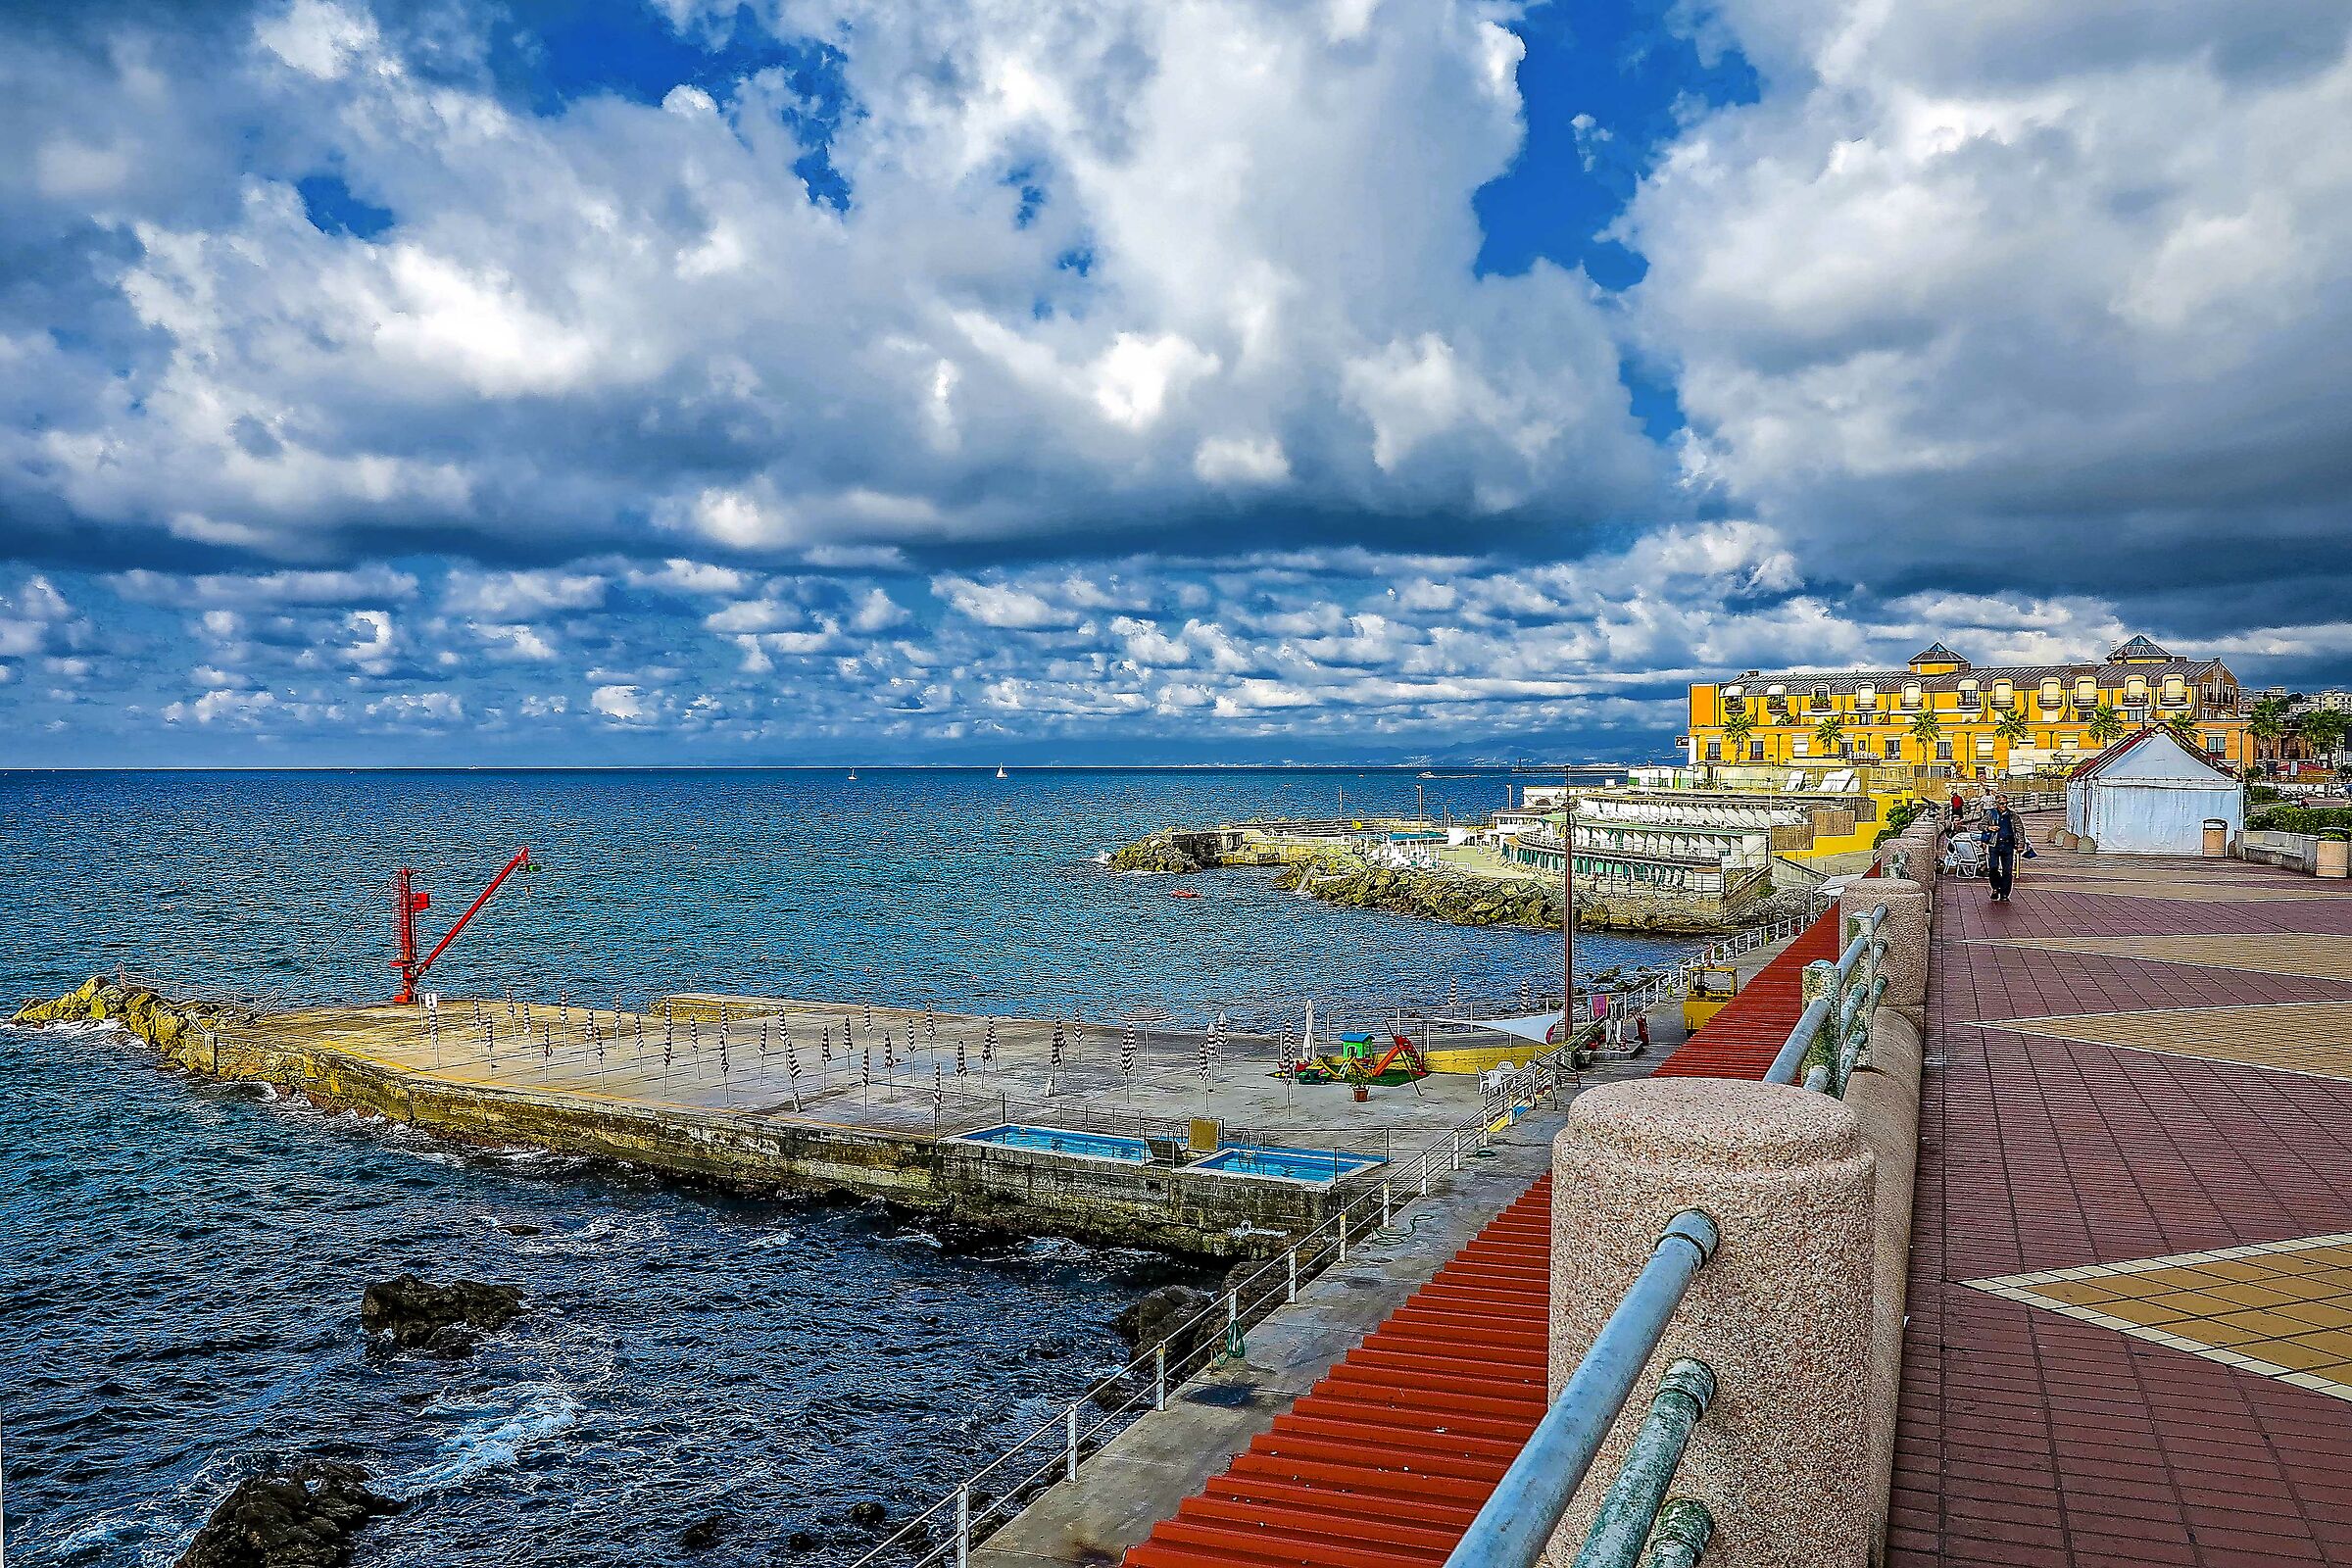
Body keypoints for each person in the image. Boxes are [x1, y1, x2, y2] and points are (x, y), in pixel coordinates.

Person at [1984, 793, 2036, 903]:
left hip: (2008, 845)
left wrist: (2020, 844)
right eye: (2001, 803)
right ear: (1996, 803)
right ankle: (1996, 887)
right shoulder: (1990, 814)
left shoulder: (2013, 816)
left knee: (2007, 871)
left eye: (2006, 803)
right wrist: (1989, 827)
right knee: (1993, 868)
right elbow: (1981, 825)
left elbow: (2020, 831)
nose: (2004, 805)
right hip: (1994, 844)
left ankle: (2004, 893)